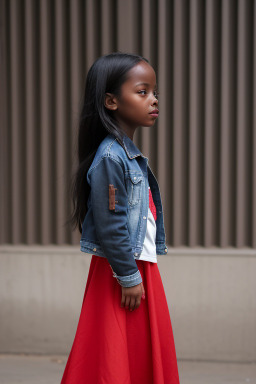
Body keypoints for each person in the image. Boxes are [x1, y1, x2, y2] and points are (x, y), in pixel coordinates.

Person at [60, 52, 180, 384]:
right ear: (111, 101)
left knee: (134, 344)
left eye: (154, 92)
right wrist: (128, 277)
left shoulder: (125, 154)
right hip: (122, 267)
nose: (154, 100)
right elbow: (112, 224)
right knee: (111, 345)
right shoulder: (112, 157)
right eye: (143, 92)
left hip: (136, 263)